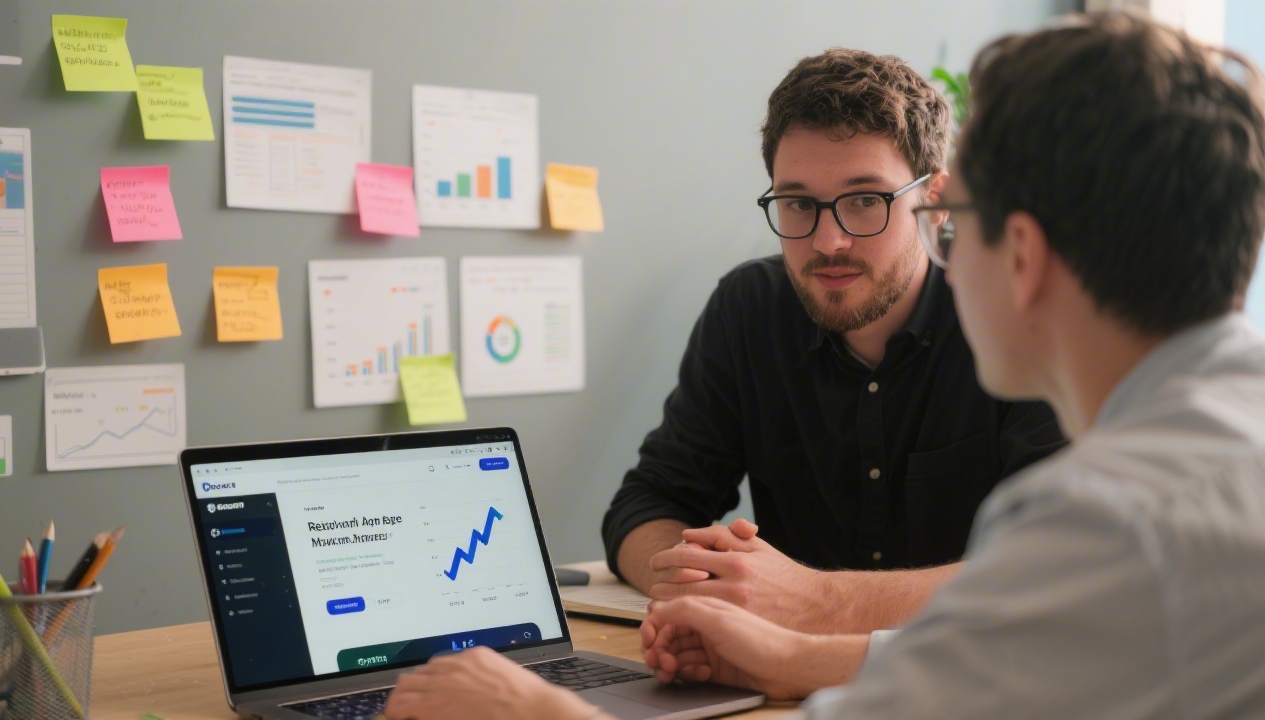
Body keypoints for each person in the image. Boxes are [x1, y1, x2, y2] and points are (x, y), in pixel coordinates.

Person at [382, 12, 1265, 720]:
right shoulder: (1222, 445)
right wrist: (785, 650)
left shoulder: (1108, 522)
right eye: (800, 205)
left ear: (1019, 254)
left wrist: (537, 710)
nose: (831, 238)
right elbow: (1016, 654)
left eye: (960, 218)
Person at [601, 47, 1064, 636]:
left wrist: (818, 600)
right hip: (770, 675)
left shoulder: (1018, 318)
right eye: (798, 204)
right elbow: (647, 505)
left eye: (865, 200)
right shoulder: (750, 310)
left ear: (936, 203)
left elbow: (1055, 567)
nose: (828, 242)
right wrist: (702, 587)